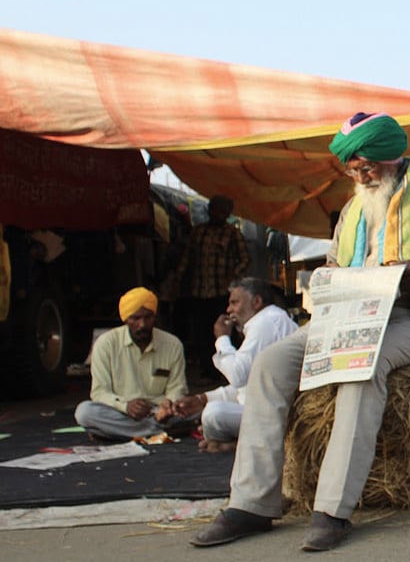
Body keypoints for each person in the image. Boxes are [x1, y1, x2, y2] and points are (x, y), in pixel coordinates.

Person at [190, 112, 410, 552]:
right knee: (270, 364)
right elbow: (334, 265)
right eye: (352, 168)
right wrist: (328, 278)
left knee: (360, 370)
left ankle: (332, 509)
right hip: (345, 316)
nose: (358, 175)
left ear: (391, 159)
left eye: (366, 167)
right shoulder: (352, 209)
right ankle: (252, 504)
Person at [172, 277, 298, 453]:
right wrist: (202, 399)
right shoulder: (268, 320)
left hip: (279, 415)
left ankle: (234, 446)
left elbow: (238, 376)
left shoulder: (265, 323)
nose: (229, 310)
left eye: (234, 303)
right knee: (210, 409)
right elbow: (247, 388)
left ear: (256, 302)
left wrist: (222, 338)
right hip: (268, 409)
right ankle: (236, 443)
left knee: (213, 414)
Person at [75, 287, 191, 440]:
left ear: (154, 317)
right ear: (125, 319)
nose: (142, 324)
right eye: (135, 318)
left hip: (159, 413)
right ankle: (154, 431)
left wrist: (168, 406)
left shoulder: (172, 344)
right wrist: (126, 406)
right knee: (84, 412)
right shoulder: (106, 344)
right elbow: (99, 392)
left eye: (147, 317)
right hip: (121, 411)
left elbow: (177, 388)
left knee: (203, 408)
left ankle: (118, 432)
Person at [174, 194, 250, 369]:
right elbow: (187, 258)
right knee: (202, 331)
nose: (219, 215)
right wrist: (178, 279)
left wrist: (232, 276)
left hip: (221, 292)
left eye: (223, 212)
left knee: (224, 330)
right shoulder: (198, 232)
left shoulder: (232, 233)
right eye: (216, 211)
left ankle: (225, 369)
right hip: (199, 290)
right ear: (210, 211)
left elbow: (245, 259)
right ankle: (206, 369)